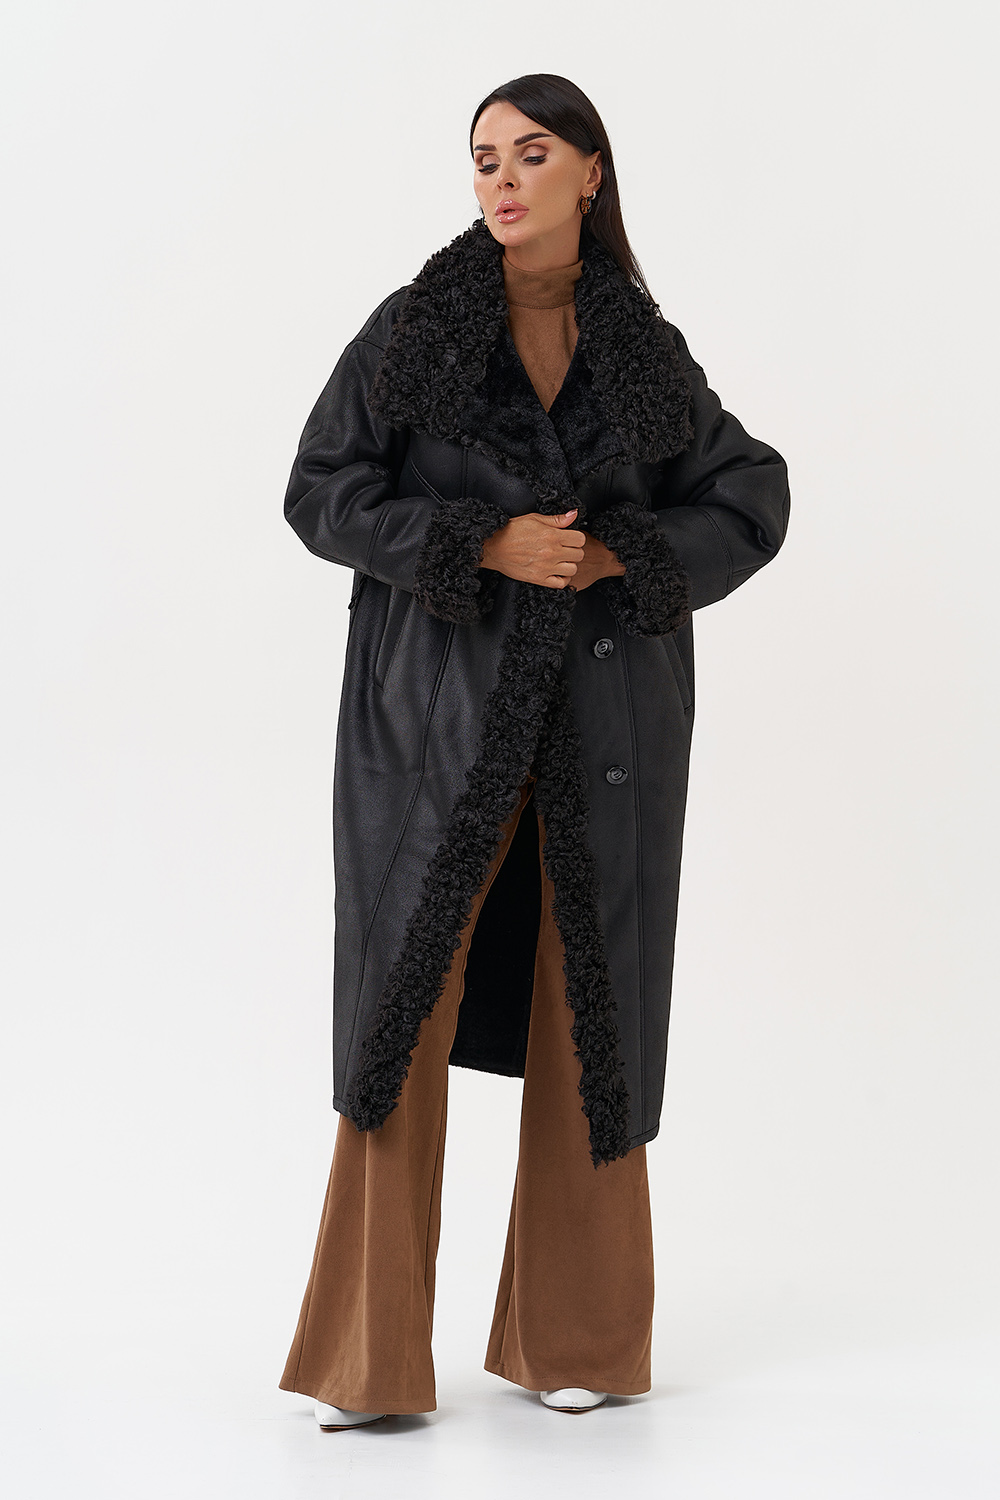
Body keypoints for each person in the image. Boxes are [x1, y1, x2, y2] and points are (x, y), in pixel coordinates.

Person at [277, 73, 790, 1430]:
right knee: (397, 1017)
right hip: (430, 723)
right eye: (484, 159)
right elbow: (321, 490)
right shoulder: (417, 327)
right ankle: (368, 1363)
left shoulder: (642, 348)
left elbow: (752, 492)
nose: (502, 180)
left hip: (607, 727)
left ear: (590, 173)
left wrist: (622, 554)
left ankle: (581, 1340)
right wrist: (479, 542)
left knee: (592, 1020)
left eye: (531, 153)